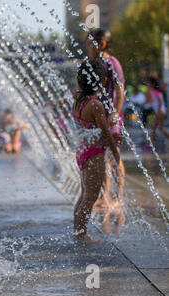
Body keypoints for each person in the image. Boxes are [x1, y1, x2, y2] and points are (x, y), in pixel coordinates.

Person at [72, 60, 120, 243]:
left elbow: (90, 130)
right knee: (90, 197)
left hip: (83, 151)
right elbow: (105, 132)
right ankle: (81, 234)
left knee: (84, 195)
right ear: (101, 81)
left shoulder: (78, 100)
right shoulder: (95, 105)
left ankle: (78, 232)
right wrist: (115, 151)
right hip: (94, 154)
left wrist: (108, 137)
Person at [87, 28, 126, 219]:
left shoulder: (112, 63)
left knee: (114, 154)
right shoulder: (95, 64)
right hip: (98, 117)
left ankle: (118, 196)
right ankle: (104, 196)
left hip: (111, 117)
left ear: (101, 44)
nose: (87, 47)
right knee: (102, 157)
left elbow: (120, 91)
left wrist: (115, 115)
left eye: (89, 44)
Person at [147, 77, 169, 141]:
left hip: (160, 111)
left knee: (154, 127)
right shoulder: (154, 91)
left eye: (149, 83)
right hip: (161, 111)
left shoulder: (155, 91)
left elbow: (160, 102)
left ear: (152, 84)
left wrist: (158, 112)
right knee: (159, 128)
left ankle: (151, 143)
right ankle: (152, 142)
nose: (148, 84)